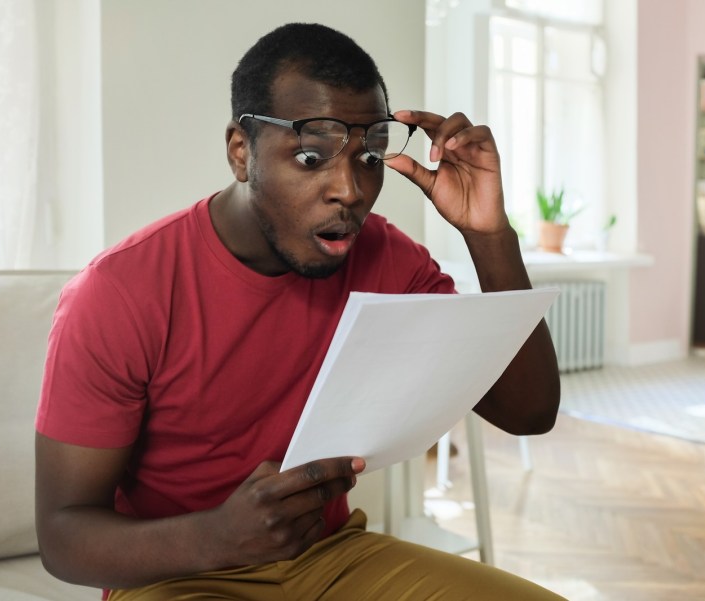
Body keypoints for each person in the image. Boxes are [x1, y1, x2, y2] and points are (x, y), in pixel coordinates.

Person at [34, 22, 564, 601]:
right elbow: (63, 536)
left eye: (368, 157)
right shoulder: (119, 292)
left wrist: (489, 234)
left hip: (331, 558)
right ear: (242, 151)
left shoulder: (388, 260)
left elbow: (528, 411)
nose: (351, 188)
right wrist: (219, 538)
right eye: (312, 156)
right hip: (177, 575)